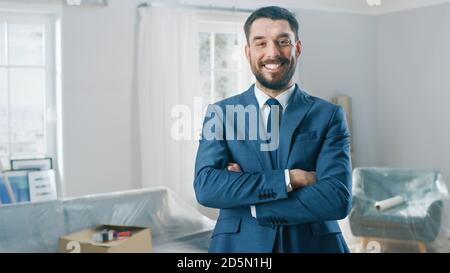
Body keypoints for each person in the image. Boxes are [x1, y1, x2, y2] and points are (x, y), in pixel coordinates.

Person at [194, 6, 352, 253]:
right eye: (261, 43)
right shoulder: (220, 114)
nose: (273, 53)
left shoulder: (328, 115)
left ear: (297, 48)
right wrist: (292, 178)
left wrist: (253, 205)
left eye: (283, 42)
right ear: (248, 52)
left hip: (314, 245)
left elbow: (336, 198)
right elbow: (207, 188)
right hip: (239, 247)